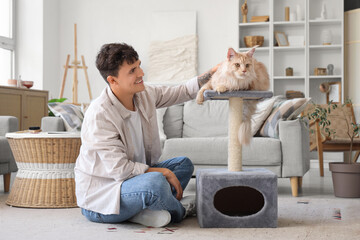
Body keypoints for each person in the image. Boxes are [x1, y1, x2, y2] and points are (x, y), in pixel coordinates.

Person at [74, 43, 218, 227]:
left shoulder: (144, 94)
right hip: (104, 197)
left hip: (135, 180)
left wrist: (214, 71)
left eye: (139, 65)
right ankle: (180, 210)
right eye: (132, 70)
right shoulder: (99, 115)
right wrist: (163, 172)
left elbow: (182, 91)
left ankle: (143, 211)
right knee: (156, 183)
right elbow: (121, 170)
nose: (141, 73)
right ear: (113, 80)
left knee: (183, 165)